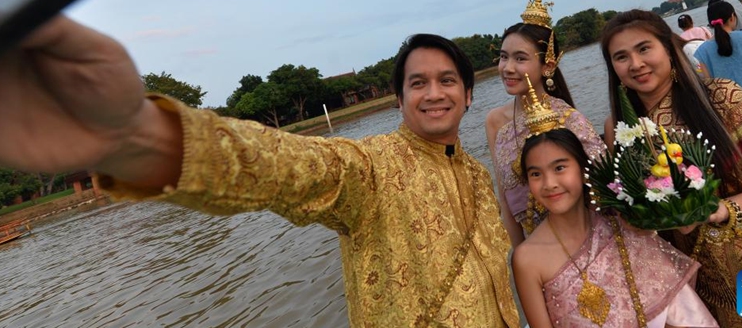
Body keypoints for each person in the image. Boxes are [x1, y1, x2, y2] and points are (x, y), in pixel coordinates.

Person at [0, 18, 520, 328]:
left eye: (447, 80)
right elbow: (277, 165)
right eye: (418, 83)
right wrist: (134, 134)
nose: (434, 93)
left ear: (469, 95)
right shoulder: (370, 165)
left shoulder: (476, 174)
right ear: (401, 98)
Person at [600, 9, 742, 326]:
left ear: (668, 48)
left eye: (644, 48)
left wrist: (722, 209)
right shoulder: (620, 128)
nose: (635, 64)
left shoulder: (721, 98)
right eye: (621, 56)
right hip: (696, 281)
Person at [510, 90, 718, 327]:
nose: (549, 184)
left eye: (559, 168)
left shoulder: (619, 223)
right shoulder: (527, 259)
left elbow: (675, 308)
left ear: (582, 169)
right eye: (536, 174)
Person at [485, 0, 604, 247]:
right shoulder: (495, 121)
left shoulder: (569, 118)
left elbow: (605, 185)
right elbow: (505, 199)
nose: (508, 68)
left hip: (584, 241)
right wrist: (521, 255)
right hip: (536, 249)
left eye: (520, 58)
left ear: (547, 65)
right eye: (504, 57)